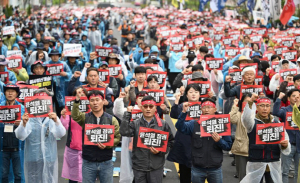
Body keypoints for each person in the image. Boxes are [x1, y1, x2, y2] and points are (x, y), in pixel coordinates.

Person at [15, 89, 66, 183]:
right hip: (33, 158)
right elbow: (20, 136)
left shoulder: (52, 117)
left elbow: (61, 134)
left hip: (49, 158)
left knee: (49, 180)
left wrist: (56, 121)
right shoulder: (28, 117)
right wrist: (23, 124)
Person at [120, 95, 174, 183]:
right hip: (139, 167)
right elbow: (124, 132)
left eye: (151, 106)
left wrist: (160, 151)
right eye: (145, 106)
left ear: (155, 108)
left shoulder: (163, 124)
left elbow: (171, 141)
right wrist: (127, 114)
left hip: (156, 167)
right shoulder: (135, 124)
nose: (148, 109)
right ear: (141, 108)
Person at [176, 99, 232, 183]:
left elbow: (228, 146)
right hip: (197, 168)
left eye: (209, 107)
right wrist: (184, 112)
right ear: (200, 110)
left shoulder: (222, 124)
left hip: (215, 169)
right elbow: (180, 127)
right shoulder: (194, 124)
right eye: (204, 107)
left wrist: (219, 140)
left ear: (215, 109)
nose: (206, 110)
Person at [71, 90, 121, 183]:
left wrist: (108, 145)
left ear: (103, 101)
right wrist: (77, 101)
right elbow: (75, 116)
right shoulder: (84, 117)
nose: (95, 103)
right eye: (92, 100)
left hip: (106, 161)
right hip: (88, 161)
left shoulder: (112, 120)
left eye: (97, 100)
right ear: (89, 103)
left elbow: (117, 138)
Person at [241, 94, 291, 183]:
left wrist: (285, 145)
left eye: (267, 106)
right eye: (262, 106)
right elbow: (245, 118)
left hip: (273, 163)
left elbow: (285, 139)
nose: (265, 109)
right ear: (257, 107)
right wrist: (250, 101)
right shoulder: (252, 122)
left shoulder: (276, 122)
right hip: (256, 162)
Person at [61, 86, 88, 183]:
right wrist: (63, 117)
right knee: (73, 177)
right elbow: (64, 128)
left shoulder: (92, 111)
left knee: (87, 176)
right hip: (73, 148)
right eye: (77, 94)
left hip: (88, 148)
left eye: (82, 94)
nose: (80, 96)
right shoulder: (69, 111)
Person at [272, 89, 300, 183]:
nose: (296, 98)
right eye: (293, 96)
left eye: (298, 96)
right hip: (288, 145)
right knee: (285, 171)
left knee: (298, 172)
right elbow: (275, 112)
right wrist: (279, 98)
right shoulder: (285, 110)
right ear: (288, 98)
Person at [0, 84, 25, 183]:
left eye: (13, 91)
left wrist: (22, 123)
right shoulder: (0, 107)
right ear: (4, 93)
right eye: (8, 91)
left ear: (17, 94)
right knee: (3, 174)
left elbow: (28, 127)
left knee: (18, 174)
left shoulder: (22, 108)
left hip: (17, 146)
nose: (10, 93)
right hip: (2, 146)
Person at [229, 93, 252, 181]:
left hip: (254, 149)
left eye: (250, 101)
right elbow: (231, 119)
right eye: (246, 101)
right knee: (242, 177)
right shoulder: (239, 114)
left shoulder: (258, 115)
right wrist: (235, 106)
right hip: (241, 149)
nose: (248, 103)